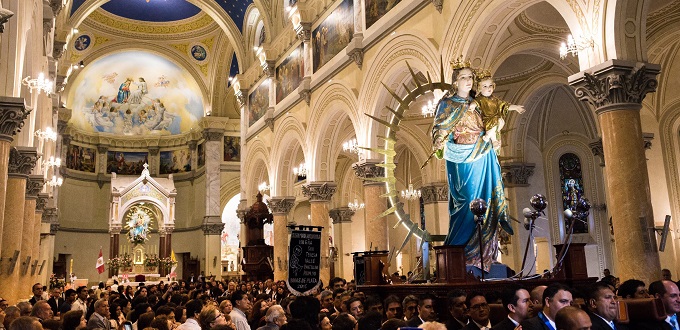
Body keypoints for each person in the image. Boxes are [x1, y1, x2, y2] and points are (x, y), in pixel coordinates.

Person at [431, 58, 512, 270]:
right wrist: (439, 137)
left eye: (470, 77)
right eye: (464, 77)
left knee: (487, 201)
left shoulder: (479, 103)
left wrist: (495, 135)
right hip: (460, 156)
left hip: (483, 154)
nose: (468, 81)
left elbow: (492, 122)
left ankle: (484, 254)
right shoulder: (447, 104)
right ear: (455, 82)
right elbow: (440, 127)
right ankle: (460, 253)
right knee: (466, 201)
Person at [474, 70, 525, 150]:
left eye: (490, 85)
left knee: (500, 121)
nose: (489, 88)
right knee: (496, 121)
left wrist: (515, 107)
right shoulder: (480, 99)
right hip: (485, 121)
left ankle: (492, 139)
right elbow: (474, 104)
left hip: (495, 122)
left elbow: (504, 105)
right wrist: (472, 106)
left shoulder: (495, 100)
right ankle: (488, 137)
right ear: (479, 88)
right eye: (485, 86)